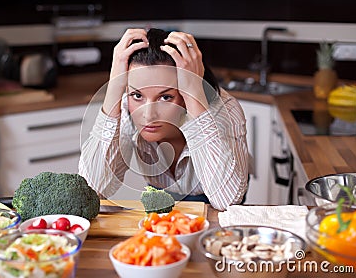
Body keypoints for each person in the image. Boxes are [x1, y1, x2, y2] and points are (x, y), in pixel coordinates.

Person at [79, 28, 249, 211]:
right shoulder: (127, 108)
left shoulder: (224, 111)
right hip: (160, 196)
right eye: (137, 95)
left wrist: (193, 94)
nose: (148, 115)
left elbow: (227, 202)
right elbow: (91, 189)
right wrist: (114, 87)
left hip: (215, 206)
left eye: (166, 97)